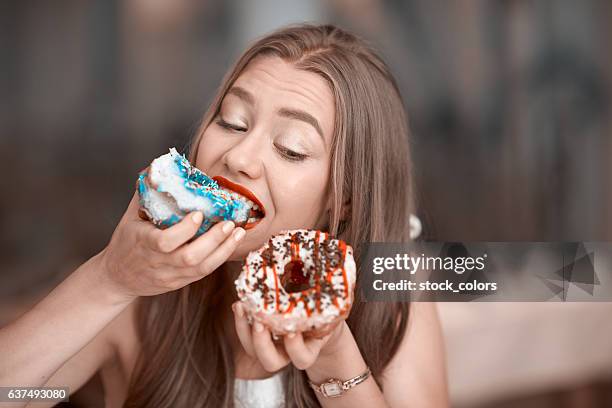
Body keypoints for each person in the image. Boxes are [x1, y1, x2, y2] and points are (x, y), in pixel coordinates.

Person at [0, 23, 448, 407]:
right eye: (232, 122)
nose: (239, 157)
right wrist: (109, 279)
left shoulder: (394, 291)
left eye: (290, 148)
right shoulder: (137, 292)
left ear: (343, 199)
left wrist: (332, 358)